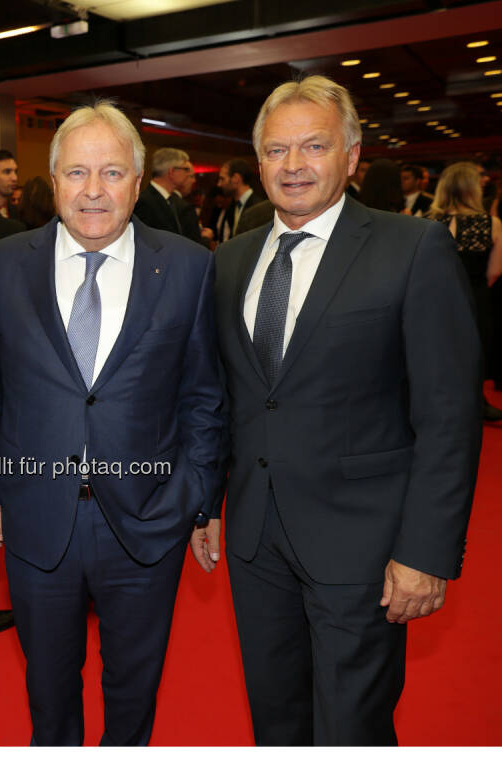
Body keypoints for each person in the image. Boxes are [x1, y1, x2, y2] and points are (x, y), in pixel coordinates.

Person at [209, 74, 481, 746]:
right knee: (276, 723)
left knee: (351, 729)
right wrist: (201, 505)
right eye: (276, 151)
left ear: (352, 156)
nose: (293, 166)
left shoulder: (412, 249)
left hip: (363, 543)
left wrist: (426, 549)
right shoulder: (233, 260)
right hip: (255, 537)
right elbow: (227, 395)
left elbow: (448, 414)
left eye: (313, 147)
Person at [0, 100, 224, 746]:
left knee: (133, 691)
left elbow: (204, 397)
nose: (92, 190)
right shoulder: (1, 266)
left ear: (138, 183)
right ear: (52, 181)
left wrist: (196, 496)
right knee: (48, 691)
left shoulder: (190, 268)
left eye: (111, 173)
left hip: (147, 521)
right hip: (35, 518)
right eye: (76, 172)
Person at [427, 161, 502, 421]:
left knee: (433, 352)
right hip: (475, 297)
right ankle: (474, 405)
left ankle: (438, 407)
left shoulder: (422, 221)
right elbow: (494, 271)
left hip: (431, 300)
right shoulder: (491, 224)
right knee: (472, 355)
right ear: (473, 190)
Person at [132, 148, 203, 244]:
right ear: (172, 172)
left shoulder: (172, 200)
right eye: (185, 169)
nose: (188, 174)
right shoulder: (144, 202)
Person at [216, 158, 263, 242]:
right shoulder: (231, 207)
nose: (219, 184)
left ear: (236, 178)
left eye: (222, 179)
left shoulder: (259, 208)